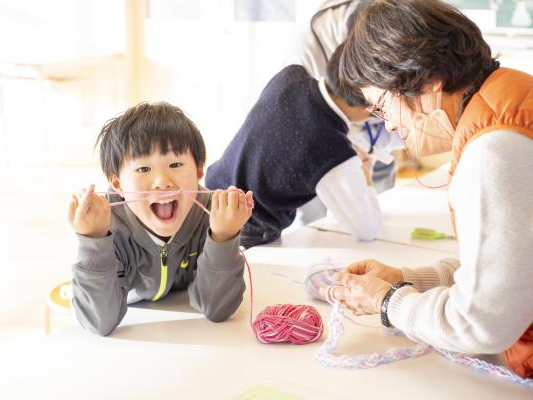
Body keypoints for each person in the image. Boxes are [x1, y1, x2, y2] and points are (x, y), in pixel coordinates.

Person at [330, 0, 533, 378]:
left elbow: (483, 323)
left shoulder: (494, 148)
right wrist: (409, 279)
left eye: (382, 106)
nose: (388, 125)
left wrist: (387, 302)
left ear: (427, 81)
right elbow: (514, 267)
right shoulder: (511, 93)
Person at [67, 102, 253, 336]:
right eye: (143, 169)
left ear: (198, 171)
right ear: (118, 184)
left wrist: (224, 236)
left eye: (176, 164)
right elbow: (98, 322)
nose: (162, 181)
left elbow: (216, 310)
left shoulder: (210, 216)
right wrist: (93, 240)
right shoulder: (108, 227)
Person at [205, 43, 380, 248]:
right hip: (245, 228)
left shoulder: (290, 76)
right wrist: (366, 177)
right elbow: (367, 230)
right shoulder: (331, 149)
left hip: (209, 195)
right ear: (370, 102)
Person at [285, 0, 403, 196]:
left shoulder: (401, 26)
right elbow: (300, 126)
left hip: (376, 153)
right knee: (318, 220)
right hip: (320, 158)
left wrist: (372, 144)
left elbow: (410, 121)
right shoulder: (309, 48)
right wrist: (350, 146)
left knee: (380, 214)